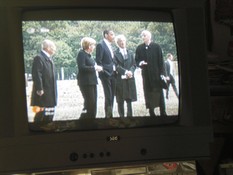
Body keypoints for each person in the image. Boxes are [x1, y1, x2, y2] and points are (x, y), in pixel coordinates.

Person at [135, 30, 167, 116]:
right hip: (146, 75)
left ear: (149, 36)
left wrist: (163, 74)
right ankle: (151, 112)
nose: (143, 37)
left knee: (159, 94)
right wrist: (141, 63)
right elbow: (137, 61)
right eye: (142, 36)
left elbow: (161, 61)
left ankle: (163, 112)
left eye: (144, 35)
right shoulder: (139, 48)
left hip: (156, 75)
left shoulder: (157, 47)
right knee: (148, 93)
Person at [31, 39, 57, 123]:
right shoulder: (39, 58)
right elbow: (37, 74)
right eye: (53, 47)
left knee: (50, 113)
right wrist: (39, 88)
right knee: (40, 114)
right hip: (43, 92)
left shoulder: (49, 58)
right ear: (48, 48)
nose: (54, 49)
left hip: (50, 91)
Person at [76, 37, 103, 119]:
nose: (94, 47)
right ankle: (83, 121)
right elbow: (82, 67)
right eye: (92, 45)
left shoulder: (89, 56)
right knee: (89, 103)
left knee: (93, 103)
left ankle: (92, 120)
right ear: (88, 45)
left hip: (92, 82)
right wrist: (94, 68)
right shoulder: (81, 54)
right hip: (85, 82)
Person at [114, 35, 137, 117]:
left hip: (130, 79)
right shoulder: (114, 53)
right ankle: (121, 117)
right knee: (120, 100)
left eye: (124, 40)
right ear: (117, 43)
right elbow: (115, 66)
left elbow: (134, 64)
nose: (122, 42)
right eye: (120, 41)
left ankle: (130, 116)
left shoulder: (130, 52)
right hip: (120, 80)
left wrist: (131, 71)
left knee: (129, 99)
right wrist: (125, 72)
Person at [96, 30, 116, 118]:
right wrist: (103, 72)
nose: (113, 36)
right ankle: (108, 116)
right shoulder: (100, 45)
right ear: (106, 35)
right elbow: (99, 60)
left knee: (112, 95)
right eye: (112, 34)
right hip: (105, 74)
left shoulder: (110, 46)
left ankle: (110, 114)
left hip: (113, 74)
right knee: (108, 95)